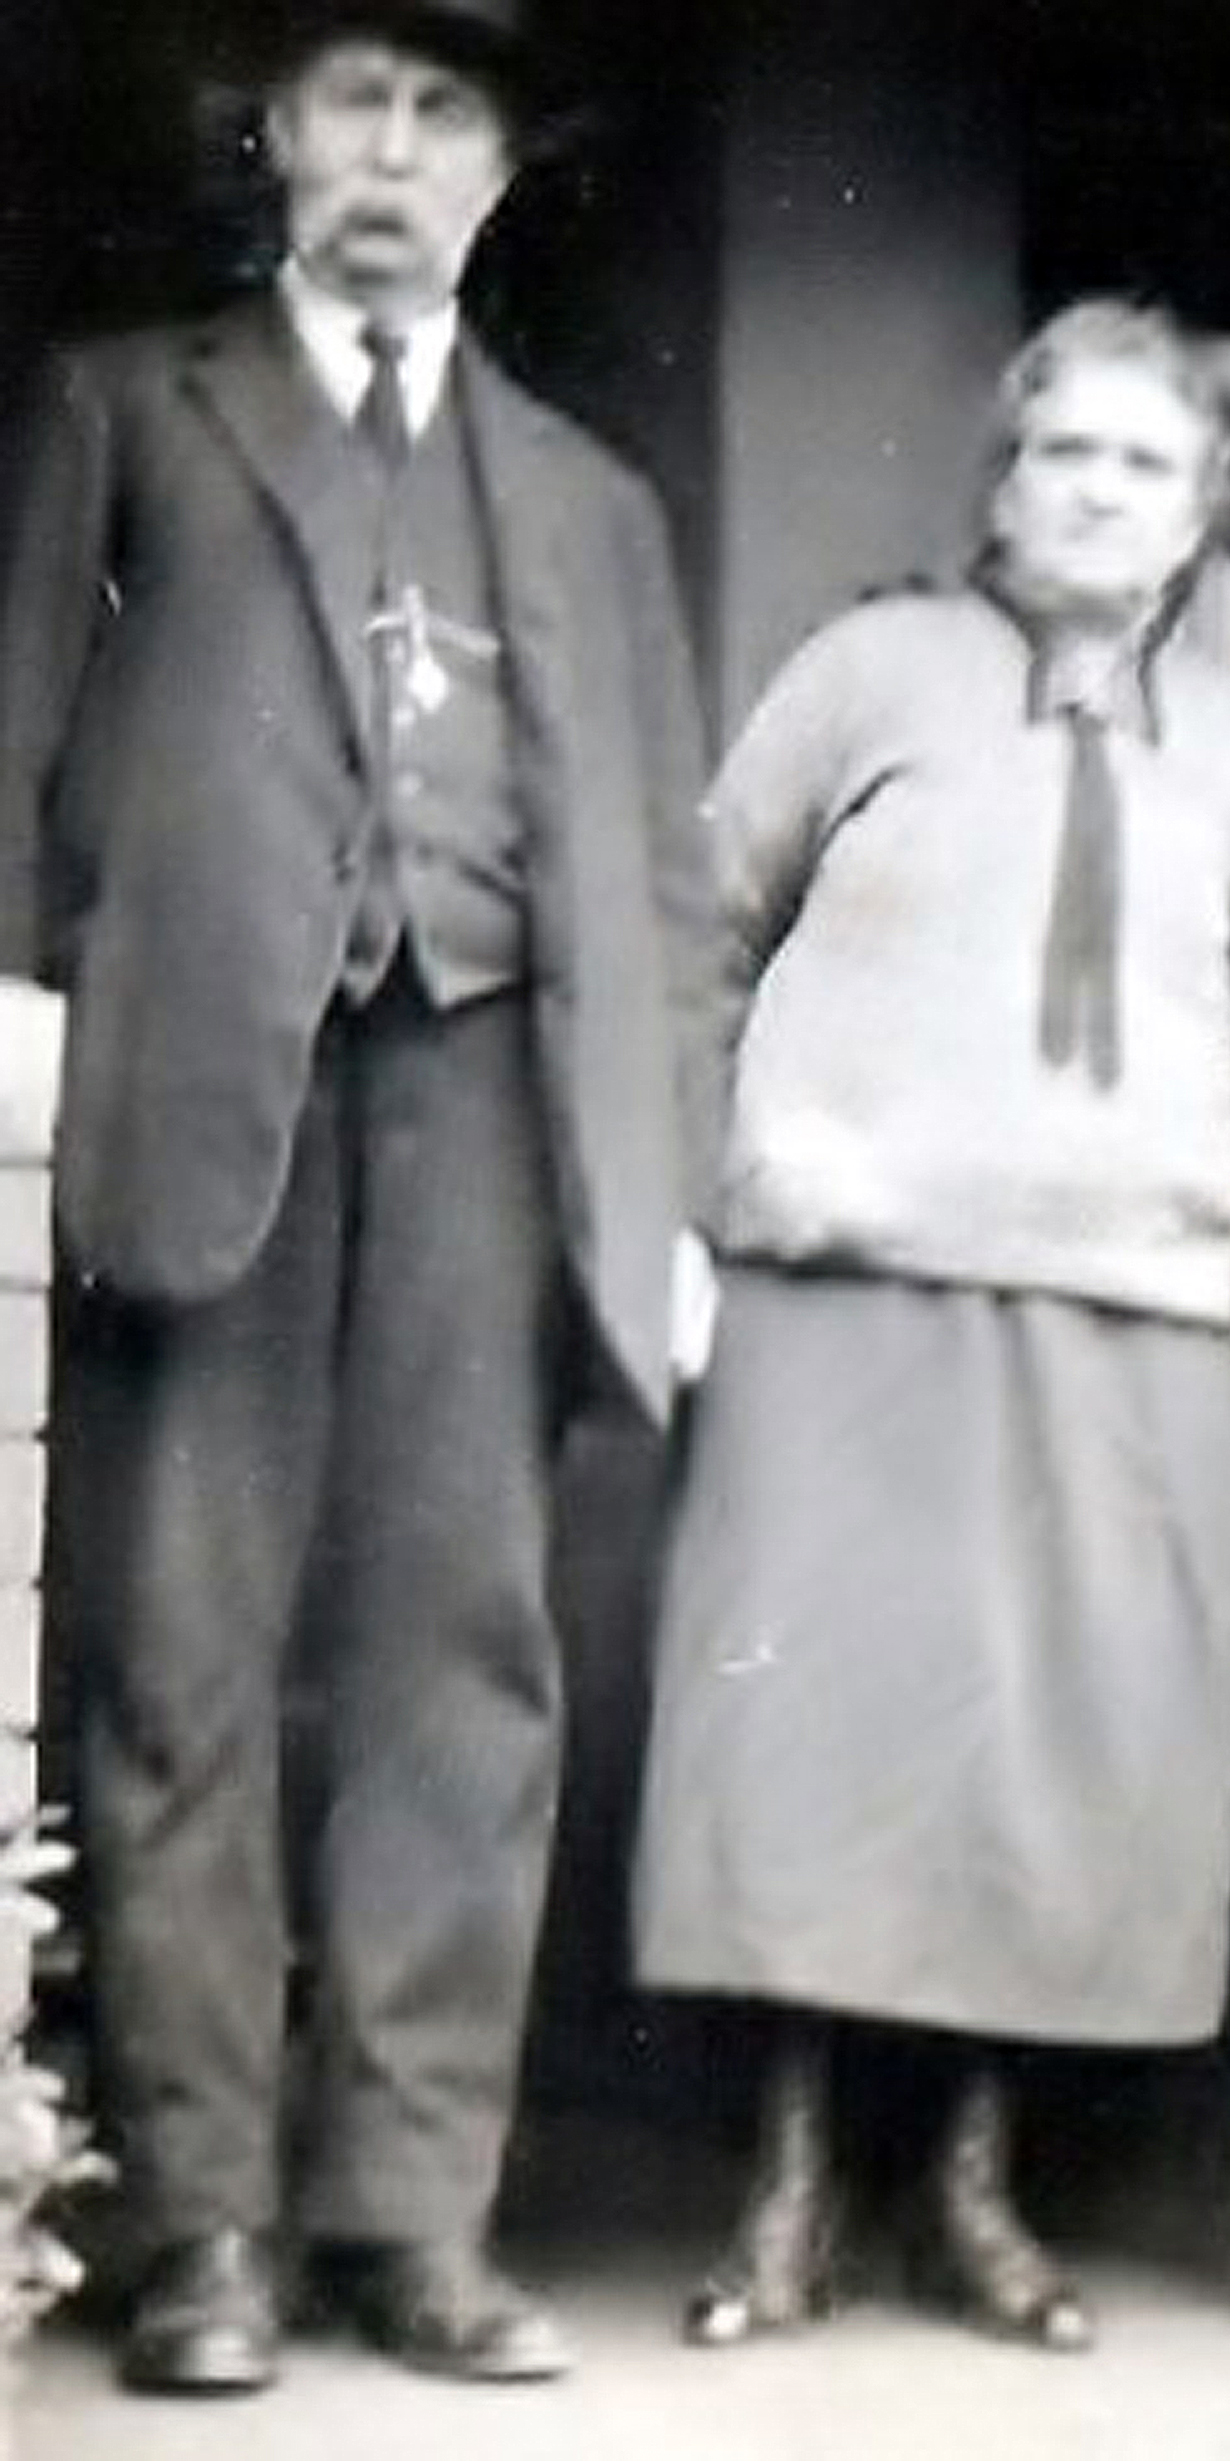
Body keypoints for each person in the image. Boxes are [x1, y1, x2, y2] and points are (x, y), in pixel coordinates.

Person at [0, 0, 711, 2394]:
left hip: (498, 1101)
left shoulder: (591, 504)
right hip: (207, 1095)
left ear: (501, 168)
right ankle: (201, 2225)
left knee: (461, 1658)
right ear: (276, 138)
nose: (395, 154)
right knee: (180, 1654)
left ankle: (410, 2215)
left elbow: (660, 883)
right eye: (354, 103)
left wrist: (669, 1194)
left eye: (443, 114)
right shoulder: (131, 409)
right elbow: (12, 764)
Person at [633, 298, 1230, 2351]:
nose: (1098, 492)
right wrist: (728, 1183)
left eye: (1144, 463)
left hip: (1121, 1319)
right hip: (850, 1294)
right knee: (817, 1745)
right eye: (1063, 452)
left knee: (1047, 1762)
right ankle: (785, 2196)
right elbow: (701, 925)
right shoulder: (872, 673)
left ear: (1200, 510)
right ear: (1002, 483)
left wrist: (1103, 1168)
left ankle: (969, 2193)